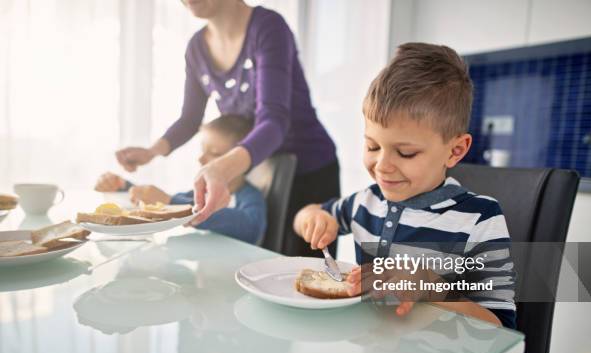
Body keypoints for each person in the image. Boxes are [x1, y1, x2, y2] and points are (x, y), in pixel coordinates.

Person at [293, 43, 516, 328]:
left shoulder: (480, 219)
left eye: (406, 153)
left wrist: (432, 286)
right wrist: (315, 218)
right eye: (372, 146)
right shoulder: (365, 201)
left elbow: (500, 327)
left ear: (456, 150)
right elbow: (305, 216)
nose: (382, 166)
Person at [114, 0, 338, 256]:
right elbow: (190, 119)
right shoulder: (197, 48)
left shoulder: (267, 28)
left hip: (308, 173)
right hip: (253, 166)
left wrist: (221, 167)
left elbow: (273, 120)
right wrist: (152, 151)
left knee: (308, 276)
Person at [97, 115, 266, 245]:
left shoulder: (251, 197)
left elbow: (250, 228)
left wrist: (171, 204)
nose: (201, 159)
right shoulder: (199, 193)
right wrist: (124, 187)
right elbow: (165, 199)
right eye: (202, 150)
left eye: (214, 154)